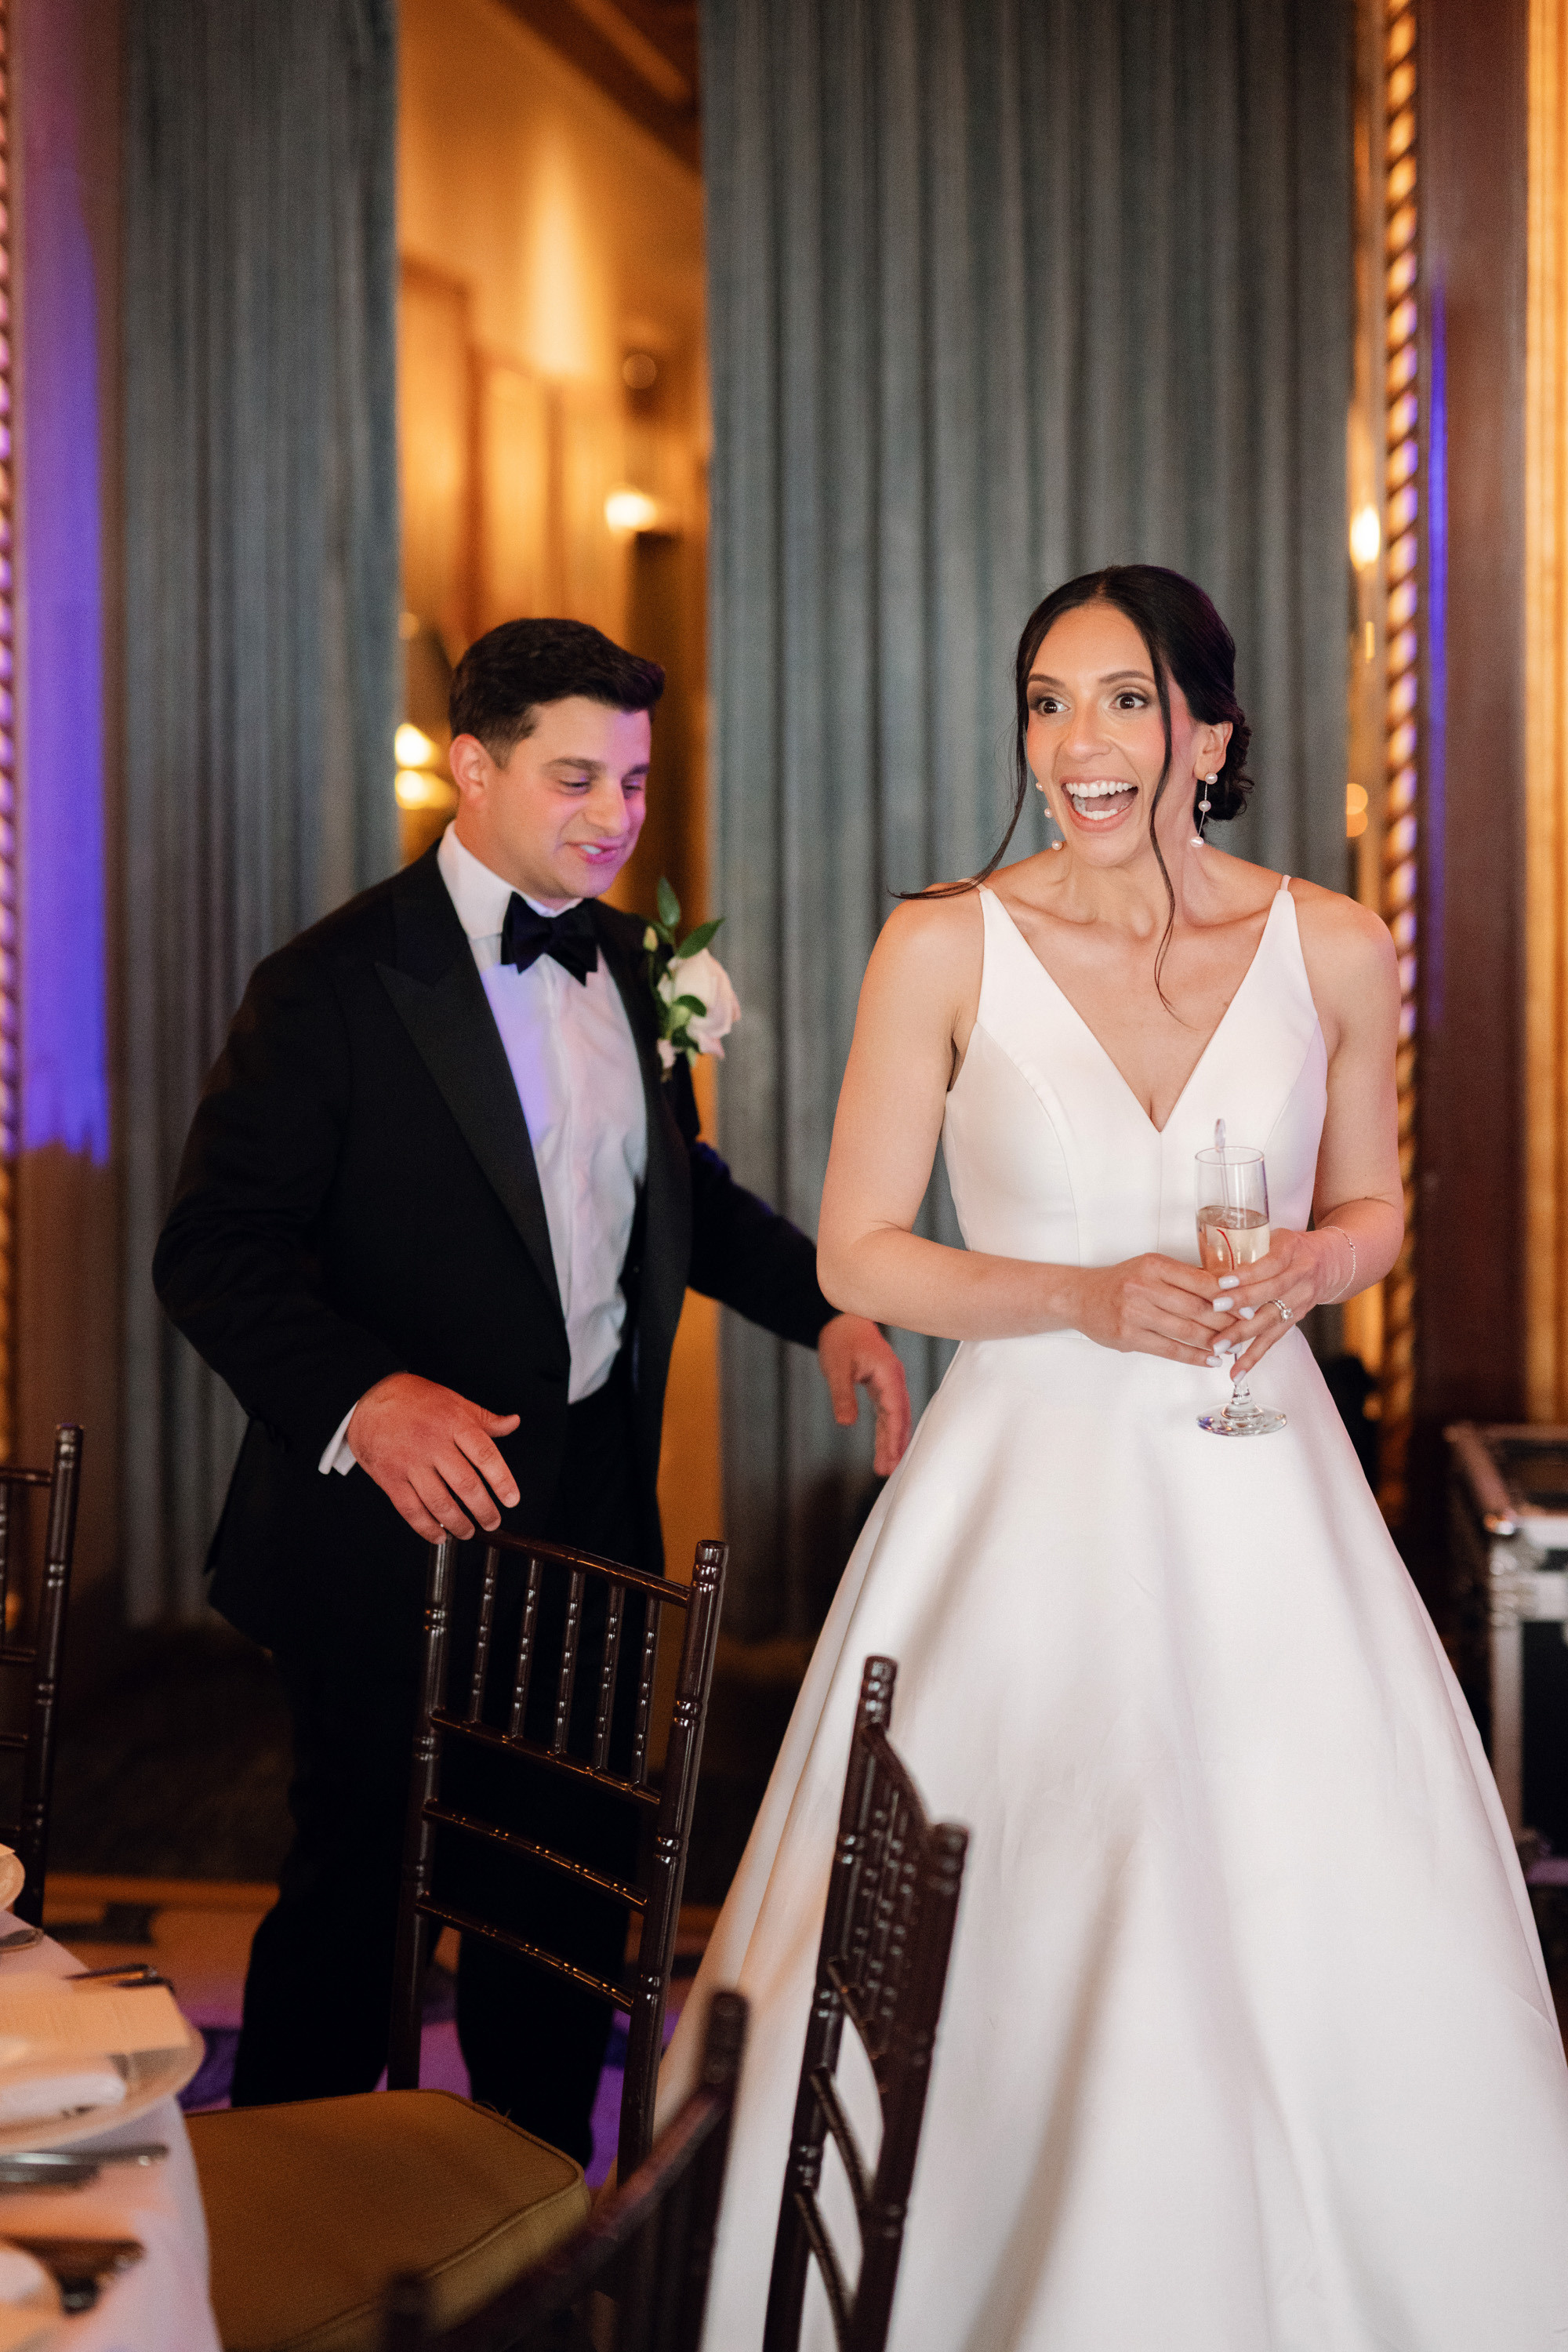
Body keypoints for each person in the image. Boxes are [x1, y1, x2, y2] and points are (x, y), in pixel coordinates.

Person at [661, 567, 1568, 2347]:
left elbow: (1375, 1202)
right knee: (1029, 1882)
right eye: (1048, 703)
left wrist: (1318, 1263)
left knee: (1314, 1883)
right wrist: (1078, 1294)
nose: (1079, 743)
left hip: (1263, 1482)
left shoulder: (1330, 945)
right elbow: (860, 1254)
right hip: (1023, 1497)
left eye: (1127, 701)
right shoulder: (941, 944)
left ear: (1211, 736)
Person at [153, 616, 911, 2160]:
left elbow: (670, 1194)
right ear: (471, 767)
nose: (617, 816)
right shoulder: (332, 985)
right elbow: (214, 1252)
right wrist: (367, 1398)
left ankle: (535, 2219)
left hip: (586, 1519)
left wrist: (829, 1300)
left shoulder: (633, 965)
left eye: (633, 779)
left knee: (561, 1888)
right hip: (389, 1531)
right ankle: (286, 2223)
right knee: (360, 1889)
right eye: (578, 778)